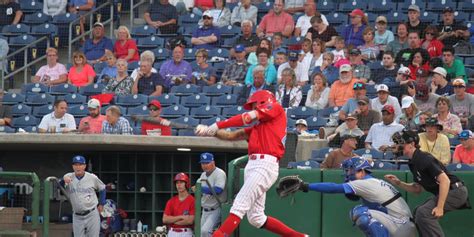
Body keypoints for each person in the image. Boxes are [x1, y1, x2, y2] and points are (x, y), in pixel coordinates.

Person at [194, 90, 308, 237]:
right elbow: (231, 135)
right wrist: (210, 131)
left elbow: (247, 117)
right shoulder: (257, 127)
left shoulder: (276, 108)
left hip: (265, 165)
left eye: (255, 105)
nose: (254, 108)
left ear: (263, 101)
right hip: (253, 166)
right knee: (256, 218)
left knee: (239, 205)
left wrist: (218, 125)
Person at [293, 157, 416, 237]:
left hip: (401, 226)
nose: (348, 174)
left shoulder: (365, 183)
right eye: (347, 171)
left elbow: (334, 188)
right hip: (403, 225)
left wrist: (306, 186)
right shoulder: (373, 182)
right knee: (365, 212)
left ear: (362, 172)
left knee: (360, 213)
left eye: (351, 171)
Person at [385, 130, 470, 237]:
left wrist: (440, 207)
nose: (397, 146)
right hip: (449, 191)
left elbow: (445, 180)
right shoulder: (413, 161)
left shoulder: (423, 158)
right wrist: (399, 183)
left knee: (423, 213)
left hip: (456, 191)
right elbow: (417, 189)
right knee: (418, 212)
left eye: (401, 143)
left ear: (411, 144)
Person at [62, 155, 106, 237]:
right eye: (75, 165)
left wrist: (102, 203)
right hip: (77, 215)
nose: (78, 167)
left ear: (84, 166)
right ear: (73, 166)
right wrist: (63, 180)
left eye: (80, 164)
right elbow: (60, 186)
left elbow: (102, 188)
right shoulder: (68, 176)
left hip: (92, 213)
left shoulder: (92, 177)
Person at [195, 153, 227, 237]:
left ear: (213, 162)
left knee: (205, 231)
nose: (204, 165)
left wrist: (200, 188)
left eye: (207, 163)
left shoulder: (220, 173)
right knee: (200, 233)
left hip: (216, 208)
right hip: (205, 210)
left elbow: (218, 190)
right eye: (203, 163)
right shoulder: (203, 175)